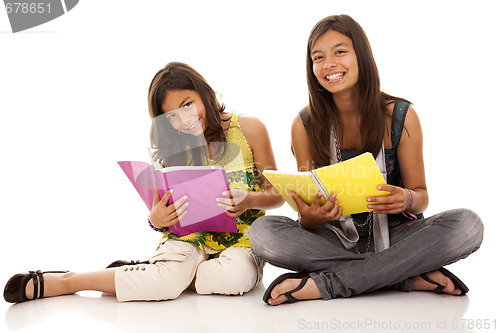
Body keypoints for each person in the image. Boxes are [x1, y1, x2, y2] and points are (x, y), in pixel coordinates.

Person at [249, 15, 484, 306]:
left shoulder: (400, 115)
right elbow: (305, 214)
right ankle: (402, 275)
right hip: (334, 237)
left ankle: (329, 283)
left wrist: (405, 199)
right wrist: (311, 216)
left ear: (362, 55)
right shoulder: (304, 124)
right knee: (262, 233)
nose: (329, 64)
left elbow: (421, 197)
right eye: (318, 57)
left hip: (397, 234)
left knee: (468, 225)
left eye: (340, 52)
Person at [4, 62, 284, 303]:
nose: (185, 119)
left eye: (188, 104)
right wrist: (156, 219)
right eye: (172, 116)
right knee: (168, 281)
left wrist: (249, 199)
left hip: (242, 240)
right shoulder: (176, 147)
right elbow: (158, 212)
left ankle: (152, 271)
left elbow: (277, 194)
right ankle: (67, 281)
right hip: (190, 239)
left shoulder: (249, 128)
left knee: (230, 280)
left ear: (205, 92)